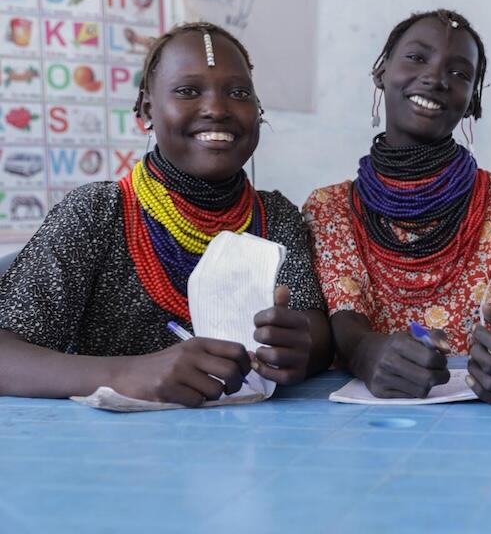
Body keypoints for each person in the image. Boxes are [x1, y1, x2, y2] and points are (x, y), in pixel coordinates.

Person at [0, 22, 332, 406]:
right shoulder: (95, 214)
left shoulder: (274, 216)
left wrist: (301, 347)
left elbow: (314, 328)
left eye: (238, 93)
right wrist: (126, 373)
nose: (217, 109)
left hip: (248, 449)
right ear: (146, 109)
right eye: (188, 91)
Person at [304, 9, 491, 405]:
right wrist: (364, 353)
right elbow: (348, 326)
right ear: (381, 72)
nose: (435, 78)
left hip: (490, 425)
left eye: (460, 74)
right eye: (416, 57)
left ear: (472, 101)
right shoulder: (331, 209)